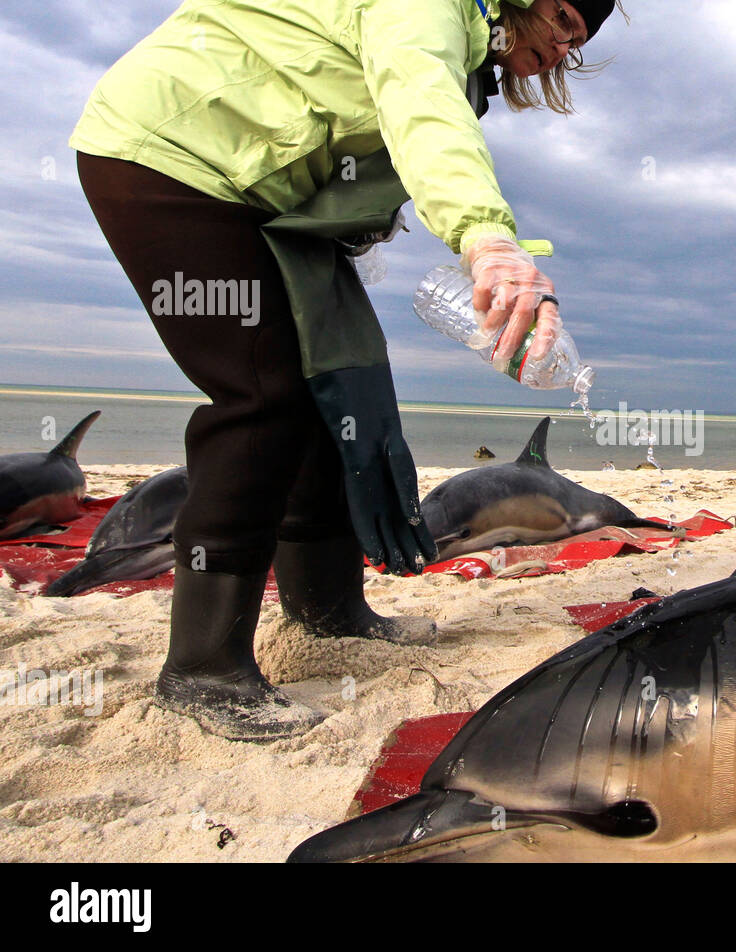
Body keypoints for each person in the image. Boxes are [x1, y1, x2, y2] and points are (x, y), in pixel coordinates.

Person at [69, 0, 623, 741]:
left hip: (255, 193)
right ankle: (202, 666)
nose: (562, 46)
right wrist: (487, 238)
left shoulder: (470, 45)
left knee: (334, 386)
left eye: (578, 41)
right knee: (264, 393)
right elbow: (418, 103)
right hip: (170, 159)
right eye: (563, 18)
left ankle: (328, 615)